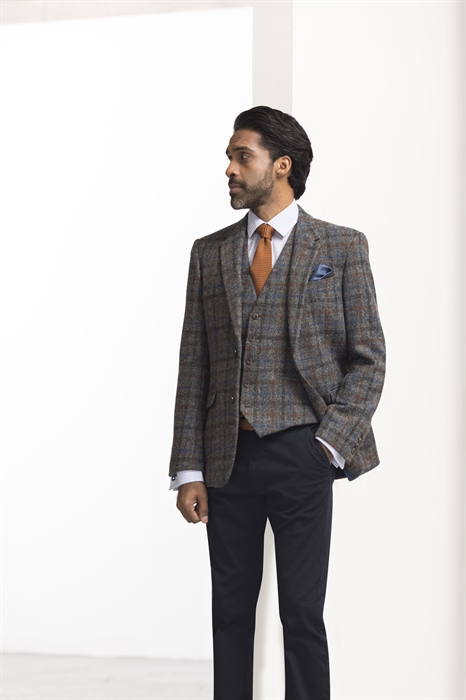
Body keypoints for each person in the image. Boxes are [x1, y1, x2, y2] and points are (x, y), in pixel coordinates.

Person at [168, 106, 385, 700]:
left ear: (281, 165)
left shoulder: (341, 246)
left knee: (303, 615)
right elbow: (194, 366)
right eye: (229, 158)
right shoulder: (209, 253)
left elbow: (368, 359)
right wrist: (188, 468)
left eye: (243, 157)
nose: (229, 169)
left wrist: (328, 446)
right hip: (226, 460)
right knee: (230, 614)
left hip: (303, 454)